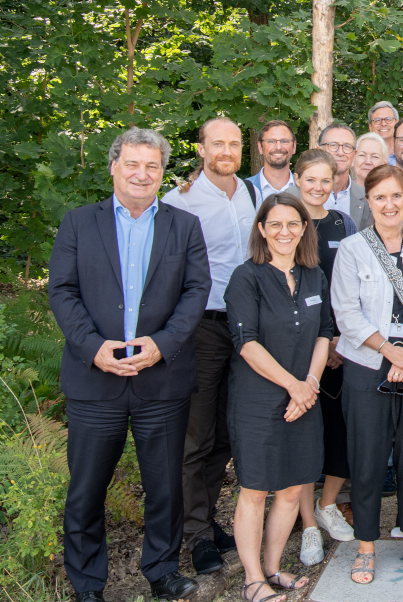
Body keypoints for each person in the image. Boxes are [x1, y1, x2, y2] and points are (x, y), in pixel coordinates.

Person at [49, 128, 210, 602]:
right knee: (86, 491)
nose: (143, 174)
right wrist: (92, 347)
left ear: (163, 172)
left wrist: (162, 344)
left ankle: (161, 571)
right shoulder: (79, 223)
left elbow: (195, 292)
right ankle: (87, 585)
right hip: (94, 380)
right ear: (114, 166)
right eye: (133, 164)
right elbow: (62, 290)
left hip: (160, 380)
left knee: (165, 487)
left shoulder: (184, 226)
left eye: (153, 166)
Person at [331, 165, 403, 584]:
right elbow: (346, 312)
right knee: (368, 457)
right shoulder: (351, 249)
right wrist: (389, 351)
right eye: (380, 197)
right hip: (367, 363)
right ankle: (366, 546)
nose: (389, 204)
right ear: (369, 202)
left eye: (396, 196)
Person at [224, 194, 332, 602]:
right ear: (262, 230)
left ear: (304, 228)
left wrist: (309, 384)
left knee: (292, 487)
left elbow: (325, 332)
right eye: (275, 225)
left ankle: (272, 566)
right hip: (259, 400)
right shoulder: (245, 277)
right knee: (255, 488)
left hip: (305, 396)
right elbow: (246, 343)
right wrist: (295, 386)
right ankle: (253, 580)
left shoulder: (313, 275)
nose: (284, 232)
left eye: (292, 224)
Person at [161, 118, 258, 574]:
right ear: (200, 149)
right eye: (217, 143)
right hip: (200, 327)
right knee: (195, 436)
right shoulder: (178, 202)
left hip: (245, 330)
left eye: (234, 143)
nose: (226, 150)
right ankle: (195, 534)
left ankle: (210, 519)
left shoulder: (252, 194)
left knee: (225, 433)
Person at [290, 150, 359, 563]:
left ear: (335, 181)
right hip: (296, 346)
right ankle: (308, 527)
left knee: (342, 431)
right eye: (310, 179)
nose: (317, 187)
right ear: (297, 179)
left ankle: (327, 503)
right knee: (301, 437)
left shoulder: (342, 223)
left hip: (340, 346)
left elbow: (349, 282)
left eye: (325, 180)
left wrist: (337, 339)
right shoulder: (282, 217)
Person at [248, 121, 298, 200]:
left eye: (284, 141)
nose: (278, 147)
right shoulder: (244, 189)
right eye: (271, 141)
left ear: (294, 146)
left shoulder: (306, 189)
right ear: (260, 147)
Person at [350, 132, 388, 230]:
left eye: (375, 157)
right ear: (353, 159)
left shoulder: (393, 196)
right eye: (362, 155)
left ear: (385, 161)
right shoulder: (344, 195)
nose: (367, 161)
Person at [319, 123, 357, 217]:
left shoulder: (366, 197)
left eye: (347, 146)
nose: (340, 152)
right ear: (319, 151)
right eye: (333, 145)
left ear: (354, 155)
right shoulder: (296, 195)